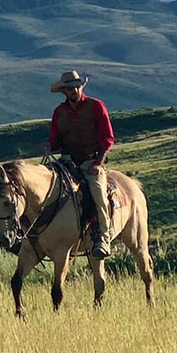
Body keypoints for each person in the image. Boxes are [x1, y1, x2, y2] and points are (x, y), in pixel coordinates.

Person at [44, 70, 116, 258]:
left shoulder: (95, 106)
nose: (74, 90)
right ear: (64, 91)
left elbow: (108, 138)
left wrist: (98, 163)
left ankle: (103, 237)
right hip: (67, 162)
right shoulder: (59, 112)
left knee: (98, 193)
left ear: (81, 87)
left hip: (91, 160)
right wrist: (50, 146)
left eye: (77, 86)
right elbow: (55, 139)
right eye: (70, 88)